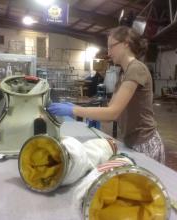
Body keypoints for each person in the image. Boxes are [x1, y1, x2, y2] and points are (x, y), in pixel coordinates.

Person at [48, 26, 165, 163]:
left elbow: (113, 113)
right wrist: (90, 113)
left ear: (126, 43)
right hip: (131, 141)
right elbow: (110, 112)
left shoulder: (136, 68)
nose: (108, 53)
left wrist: (74, 109)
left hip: (145, 143)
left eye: (111, 47)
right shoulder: (123, 73)